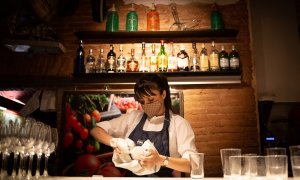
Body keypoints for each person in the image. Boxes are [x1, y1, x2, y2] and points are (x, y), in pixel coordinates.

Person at [90, 73, 198, 177]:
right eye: (142, 101)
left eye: (151, 99)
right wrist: (114, 142)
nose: (146, 105)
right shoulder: (133, 117)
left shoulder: (179, 124)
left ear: (163, 94)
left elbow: (193, 165)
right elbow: (96, 130)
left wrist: (160, 160)